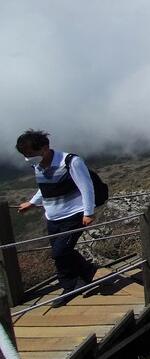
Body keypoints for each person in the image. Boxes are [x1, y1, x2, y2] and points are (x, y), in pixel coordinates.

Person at [16, 130, 98, 308]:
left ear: (45, 148)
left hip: (74, 214)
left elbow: (86, 187)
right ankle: (77, 279)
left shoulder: (70, 162)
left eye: (30, 154)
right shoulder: (37, 165)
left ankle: (75, 281)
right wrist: (32, 203)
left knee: (59, 252)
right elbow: (44, 187)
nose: (27, 159)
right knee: (60, 254)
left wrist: (88, 212)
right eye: (25, 155)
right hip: (52, 216)